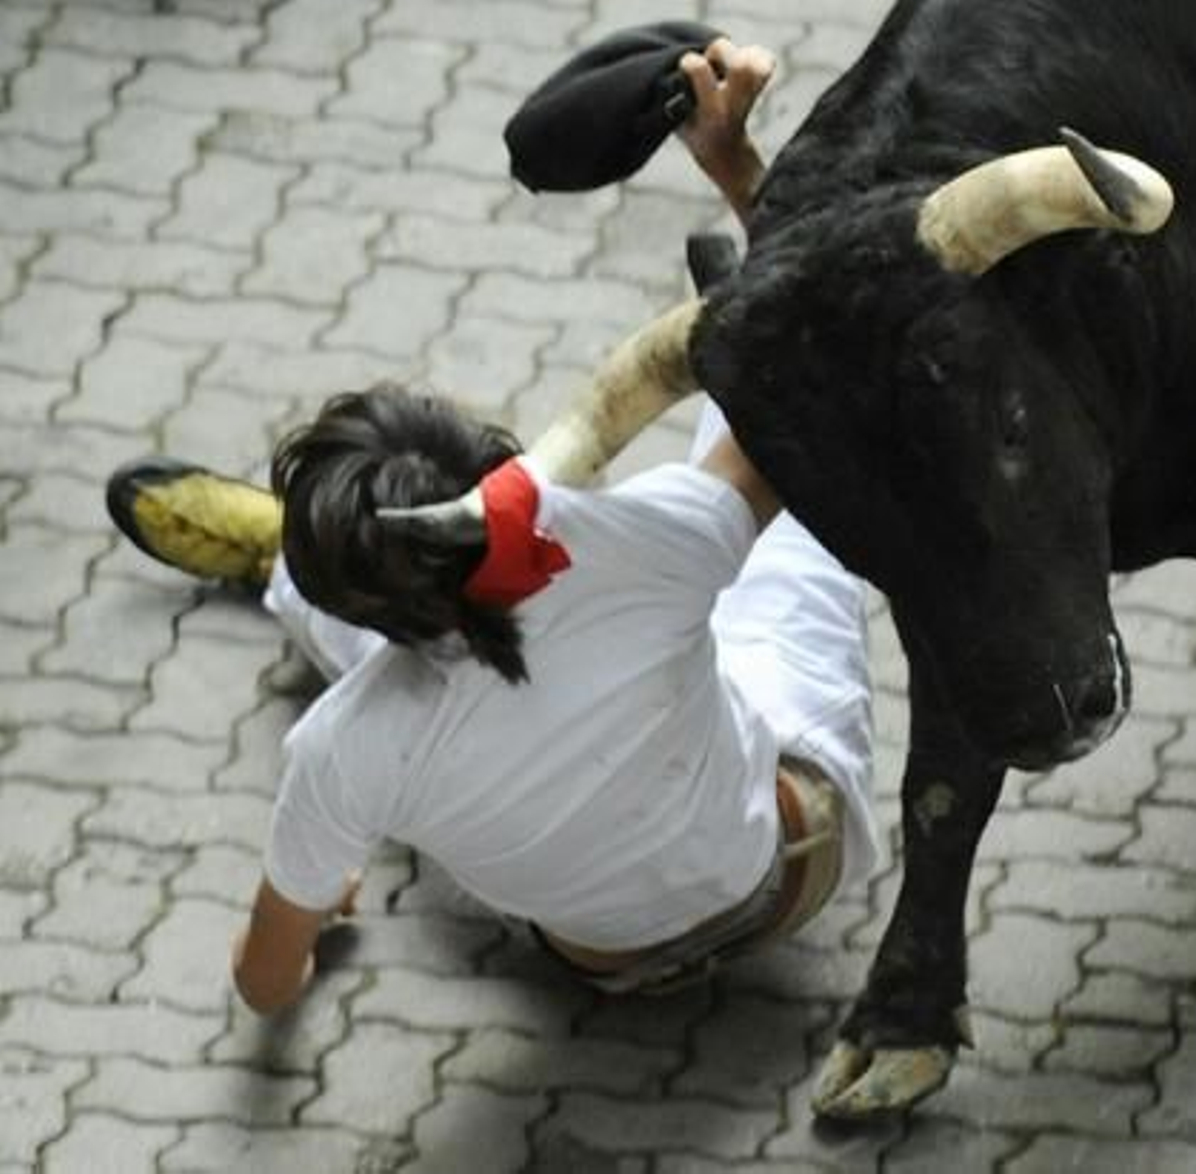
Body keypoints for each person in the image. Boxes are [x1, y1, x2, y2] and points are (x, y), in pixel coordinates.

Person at [105, 38, 880, 1011]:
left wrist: (318, 927)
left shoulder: (342, 748)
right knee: (797, 495)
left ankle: (286, 568)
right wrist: (732, 163)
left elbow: (263, 986)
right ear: (492, 461)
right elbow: (814, 370)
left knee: (372, 668)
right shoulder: (623, 545)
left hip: (601, 961)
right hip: (792, 864)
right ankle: (726, 323)